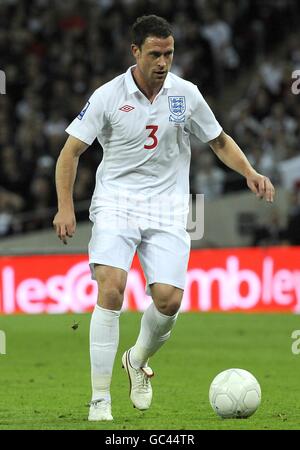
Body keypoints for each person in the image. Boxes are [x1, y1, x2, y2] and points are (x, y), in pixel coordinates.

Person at [53, 15, 275, 422]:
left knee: (169, 301)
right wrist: (66, 206)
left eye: (169, 53)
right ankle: (100, 399)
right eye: (155, 53)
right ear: (135, 52)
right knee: (112, 288)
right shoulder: (107, 95)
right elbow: (69, 153)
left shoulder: (185, 95)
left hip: (169, 208)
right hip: (116, 204)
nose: (163, 62)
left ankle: (136, 360)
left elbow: (219, 140)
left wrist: (250, 172)